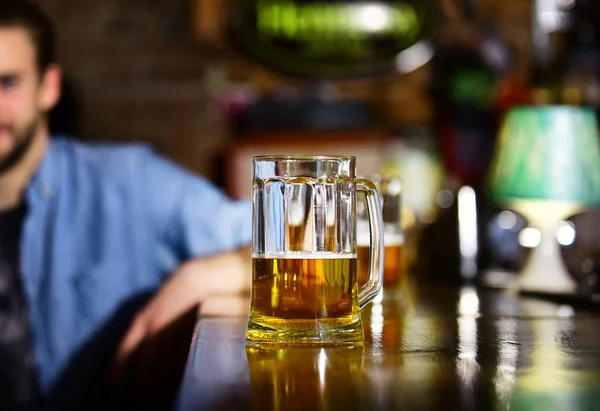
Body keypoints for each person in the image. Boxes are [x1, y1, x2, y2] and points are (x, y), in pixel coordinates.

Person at [0, 1, 252, 409]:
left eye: (7, 83)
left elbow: (301, 236)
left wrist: (202, 275)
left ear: (48, 88)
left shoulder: (128, 182)